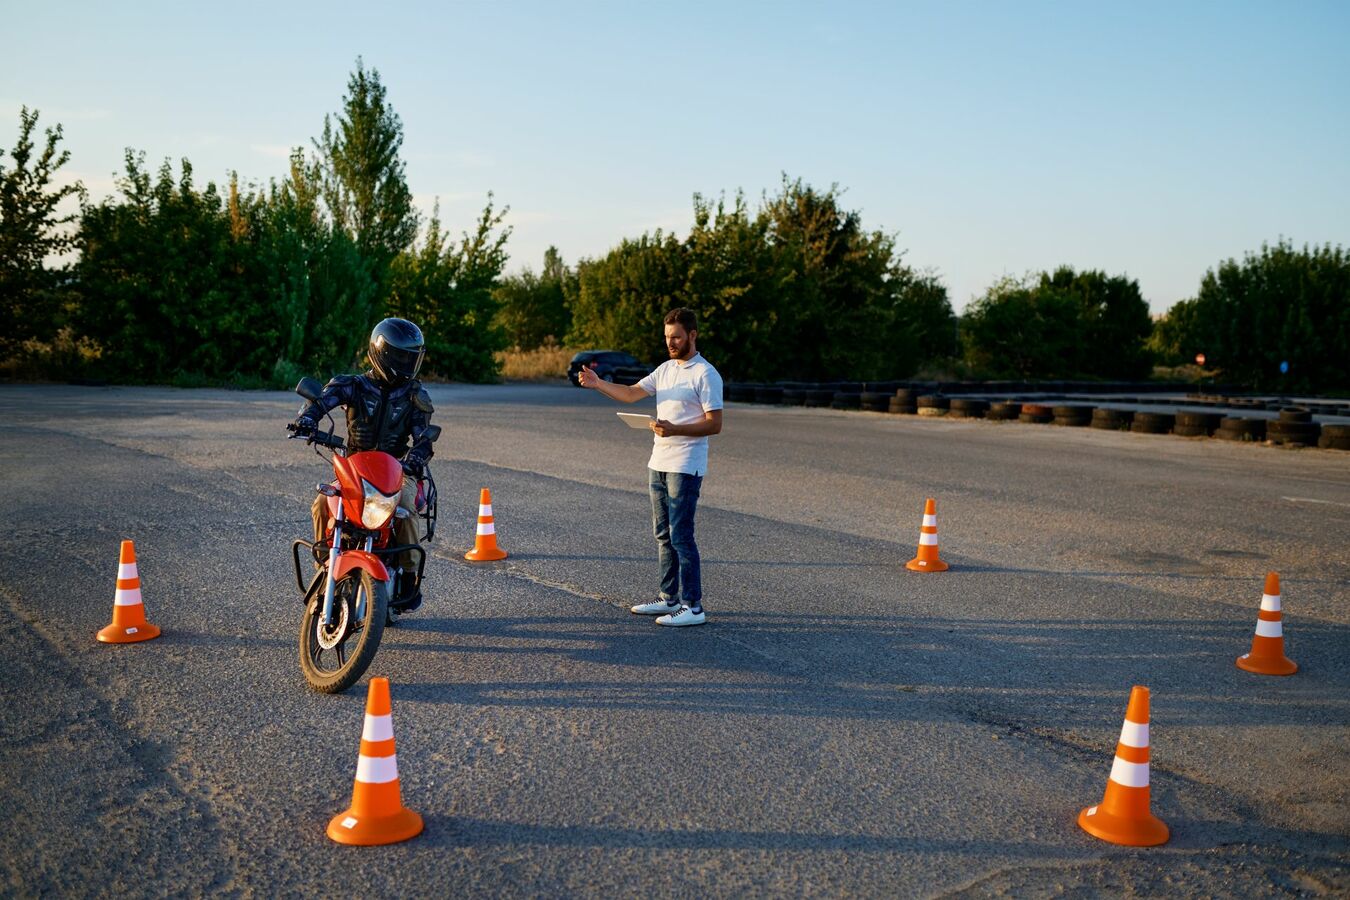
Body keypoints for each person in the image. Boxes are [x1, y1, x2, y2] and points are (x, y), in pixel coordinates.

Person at [579, 308, 723, 626]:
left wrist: (675, 429)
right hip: (658, 462)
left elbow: (715, 424)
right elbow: (632, 393)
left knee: (681, 535)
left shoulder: (706, 374)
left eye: (677, 337)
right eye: (667, 337)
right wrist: (598, 383)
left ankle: (693, 607)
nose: (671, 343)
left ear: (693, 335)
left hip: (686, 465)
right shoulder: (665, 369)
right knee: (663, 535)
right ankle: (668, 598)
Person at [292, 317, 438, 613]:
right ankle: (325, 562)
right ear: (382, 353)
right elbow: (322, 401)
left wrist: (417, 456)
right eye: (401, 356)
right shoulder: (354, 385)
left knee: (405, 508)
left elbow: (424, 436)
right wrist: (308, 419)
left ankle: (409, 575)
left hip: (397, 469)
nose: (407, 364)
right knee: (322, 503)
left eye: (411, 357)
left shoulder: (414, 396)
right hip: (355, 468)